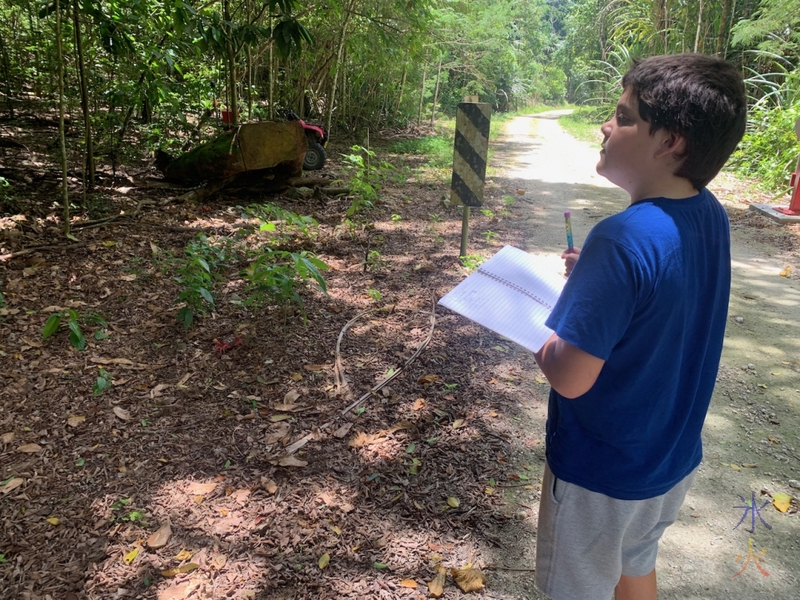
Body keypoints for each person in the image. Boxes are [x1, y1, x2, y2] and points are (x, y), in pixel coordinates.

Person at [532, 54, 747, 600]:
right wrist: (597, 283)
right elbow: (666, 296)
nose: (606, 126)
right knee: (634, 567)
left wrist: (539, 331)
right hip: (668, 460)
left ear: (670, 142)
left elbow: (571, 377)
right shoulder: (709, 213)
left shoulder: (620, 237)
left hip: (600, 474)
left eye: (624, 117)